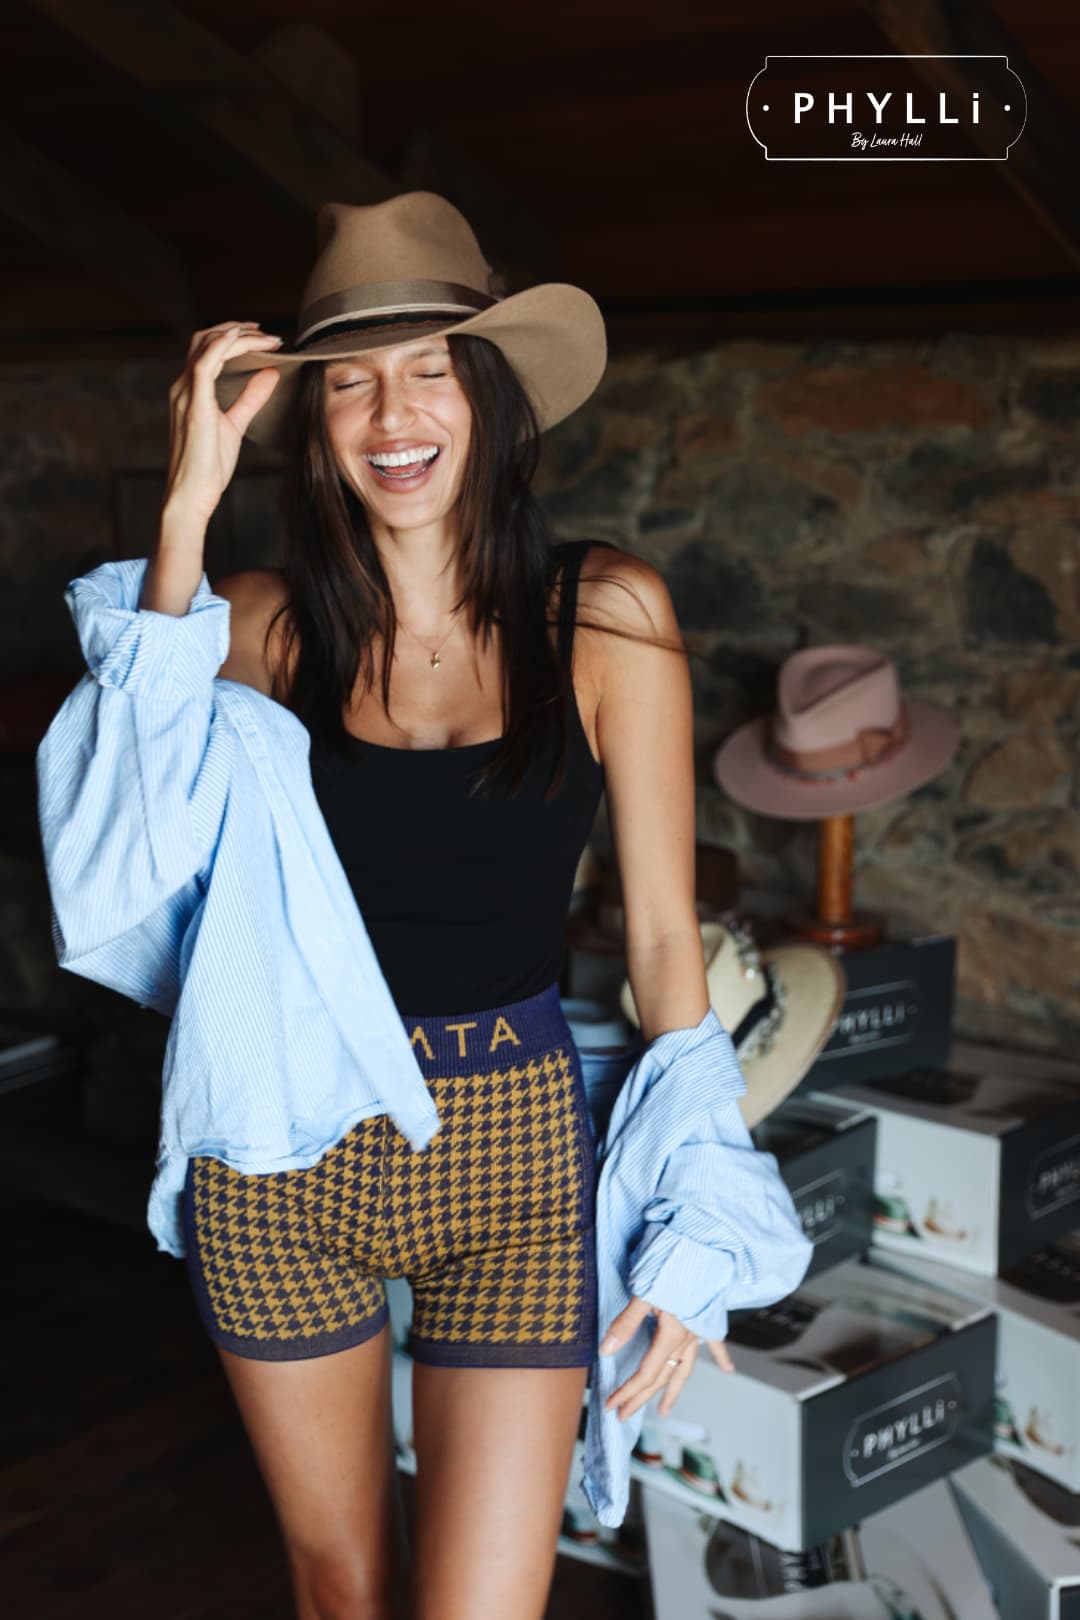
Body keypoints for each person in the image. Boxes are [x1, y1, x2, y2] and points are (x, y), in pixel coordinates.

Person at [44, 194, 810, 1620]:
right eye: (349, 380)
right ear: (316, 423)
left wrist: (702, 1183)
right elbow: (116, 851)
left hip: (510, 1149)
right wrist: (185, 508)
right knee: (343, 1589)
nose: (392, 415)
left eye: (431, 369)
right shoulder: (257, 628)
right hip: (278, 1146)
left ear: (490, 395)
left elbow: (661, 939)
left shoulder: (609, 616)